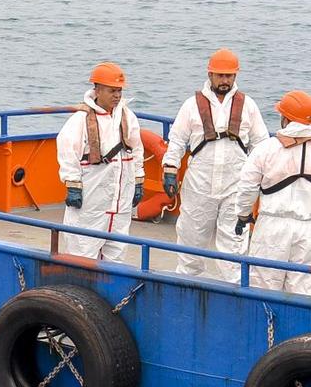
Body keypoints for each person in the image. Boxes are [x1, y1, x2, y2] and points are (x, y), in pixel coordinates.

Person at [162, 48, 269, 280]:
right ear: (210, 74)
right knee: (191, 238)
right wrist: (170, 167)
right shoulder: (191, 105)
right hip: (199, 185)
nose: (225, 80)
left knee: (234, 243)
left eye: (229, 76)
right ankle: (187, 283)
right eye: (220, 75)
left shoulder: (248, 105)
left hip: (236, 186)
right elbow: (178, 139)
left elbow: (261, 145)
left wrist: (262, 179)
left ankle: (233, 290)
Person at [231, 90, 311, 296]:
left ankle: (266, 328)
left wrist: (243, 214)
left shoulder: (266, 149)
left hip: (272, 229)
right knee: (303, 292)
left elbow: (247, 187)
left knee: (264, 290)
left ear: (284, 118)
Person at [56, 62, 142, 262]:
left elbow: (137, 150)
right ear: (97, 89)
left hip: (120, 205)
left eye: (119, 91)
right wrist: (72, 184)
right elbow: (68, 151)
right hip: (90, 206)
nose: (117, 96)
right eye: (112, 91)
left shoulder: (127, 117)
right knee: (82, 253)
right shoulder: (80, 120)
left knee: (117, 255)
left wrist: (138, 179)